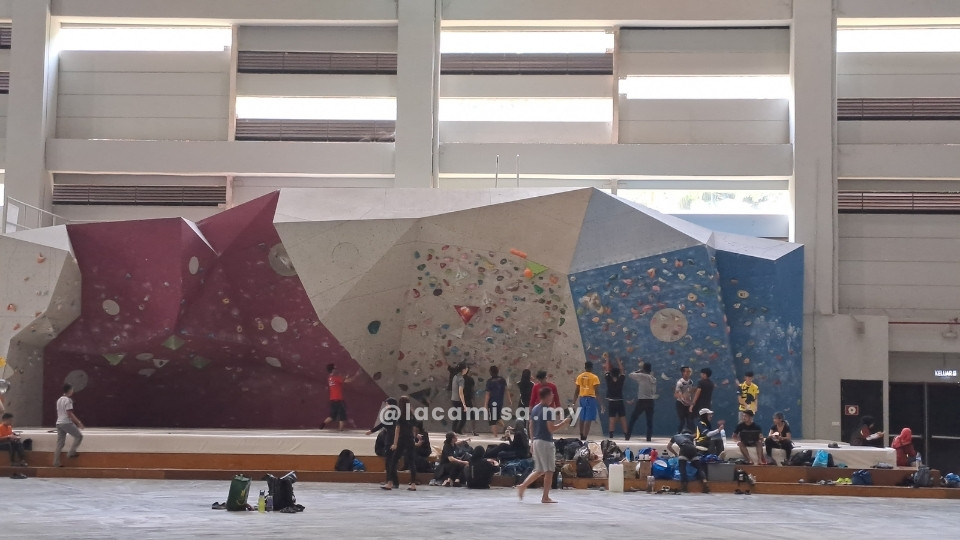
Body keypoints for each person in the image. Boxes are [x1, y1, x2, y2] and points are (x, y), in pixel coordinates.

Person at [516, 386, 572, 503]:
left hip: (536, 441)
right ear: (547, 396)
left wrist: (532, 441)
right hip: (546, 442)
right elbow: (551, 429)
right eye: (551, 395)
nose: (553, 397)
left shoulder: (535, 408)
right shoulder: (549, 410)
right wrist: (564, 423)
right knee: (550, 471)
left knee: (539, 469)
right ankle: (545, 497)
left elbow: (531, 425)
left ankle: (523, 486)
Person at [386, 395, 418, 491]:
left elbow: (397, 429)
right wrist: (414, 437)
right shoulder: (411, 414)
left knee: (393, 461)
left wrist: (395, 443)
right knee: (412, 462)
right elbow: (414, 428)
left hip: (401, 439)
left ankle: (390, 483)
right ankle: (413, 484)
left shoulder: (399, 414)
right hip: (410, 439)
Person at [320, 363, 360, 431]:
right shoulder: (336, 378)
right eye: (335, 368)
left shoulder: (330, 378)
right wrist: (356, 375)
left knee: (332, 416)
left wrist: (344, 377)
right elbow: (348, 380)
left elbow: (340, 381)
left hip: (332, 400)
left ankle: (322, 425)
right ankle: (341, 430)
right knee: (342, 416)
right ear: (332, 370)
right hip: (339, 400)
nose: (336, 369)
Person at [53, 383, 84, 467]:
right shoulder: (68, 400)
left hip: (59, 422)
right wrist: (78, 422)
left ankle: (56, 462)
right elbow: (69, 413)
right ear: (70, 390)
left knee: (60, 443)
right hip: (66, 422)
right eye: (72, 389)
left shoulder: (59, 400)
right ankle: (71, 452)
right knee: (79, 436)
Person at [626, 362, 656, 441]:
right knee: (649, 421)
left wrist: (639, 371)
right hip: (650, 401)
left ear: (644, 369)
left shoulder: (641, 376)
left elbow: (630, 374)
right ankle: (648, 438)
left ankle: (627, 436)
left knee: (633, 418)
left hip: (642, 401)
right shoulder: (653, 378)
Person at [573, 361, 601, 440]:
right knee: (588, 419)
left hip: (582, 398)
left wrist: (573, 402)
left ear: (585, 367)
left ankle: (581, 434)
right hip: (590, 399)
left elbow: (576, 391)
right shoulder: (594, 377)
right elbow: (596, 391)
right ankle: (585, 437)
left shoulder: (579, 377)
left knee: (582, 417)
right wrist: (601, 403)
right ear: (592, 368)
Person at [484, 365, 512, 438]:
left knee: (493, 421)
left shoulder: (489, 381)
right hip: (500, 403)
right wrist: (509, 400)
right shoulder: (502, 380)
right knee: (497, 418)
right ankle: (506, 428)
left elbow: (488, 394)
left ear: (490, 372)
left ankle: (495, 437)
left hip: (492, 403)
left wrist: (485, 405)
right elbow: (506, 390)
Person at [602, 357, 627, 439]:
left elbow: (606, 369)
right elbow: (622, 370)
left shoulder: (608, 379)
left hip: (611, 402)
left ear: (611, 374)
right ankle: (626, 435)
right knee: (623, 419)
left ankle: (611, 435)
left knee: (611, 419)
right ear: (618, 374)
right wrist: (618, 360)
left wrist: (607, 359)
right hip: (620, 401)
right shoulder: (621, 380)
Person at [674, 366, 695, 433]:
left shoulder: (691, 382)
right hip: (680, 404)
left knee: (690, 421)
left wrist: (691, 402)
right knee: (682, 421)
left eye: (689, 371)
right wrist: (684, 401)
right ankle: (677, 435)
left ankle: (693, 435)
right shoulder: (680, 383)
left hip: (688, 404)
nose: (689, 373)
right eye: (687, 371)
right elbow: (678, 394)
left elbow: (691, 392)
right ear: (683, 372)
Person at [451, 363, 468, 435]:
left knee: (456, 416)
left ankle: (454, 431)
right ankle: (457, 430)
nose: (467, 370)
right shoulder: (461, 379)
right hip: (458, 400)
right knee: (463, 417)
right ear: (463, 370)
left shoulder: (455, 376)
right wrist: (464, 404)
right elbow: (461, 392)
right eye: (466, 368)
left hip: (453, 399)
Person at [463, 367, 479, 436]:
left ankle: (462, 430)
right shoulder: (470, 379)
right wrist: (474, 400)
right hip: (468, 399)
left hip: (462, 399)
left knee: (462, 416)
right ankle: (473, 431)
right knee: (472, 416)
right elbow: (472, 391)